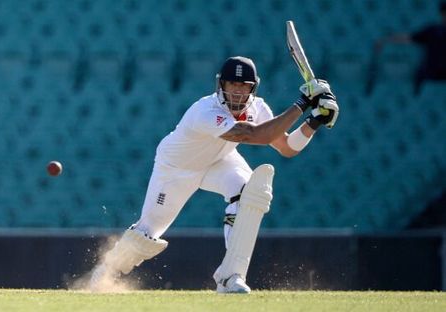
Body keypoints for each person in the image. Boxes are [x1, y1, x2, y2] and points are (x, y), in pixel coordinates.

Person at [88, 56, 339, 293]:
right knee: (145, 235)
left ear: (253, 88)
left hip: (219, 161)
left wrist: (314, 120)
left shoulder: (257, 108)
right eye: (233, 84)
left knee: (250, 195)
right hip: (177, 169)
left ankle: (231, 277)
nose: (238, 91)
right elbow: (254, 136)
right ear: (221, 84)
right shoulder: (205, 111)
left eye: (244, 86)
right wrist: (302, 104)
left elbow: (286, 147)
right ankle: (106, 270)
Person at [375, 1, 446, 93]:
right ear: (441, 14)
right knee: (418, 75)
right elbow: (409, 38)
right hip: (431, 71)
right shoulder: (432, 31)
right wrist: (385, 40)